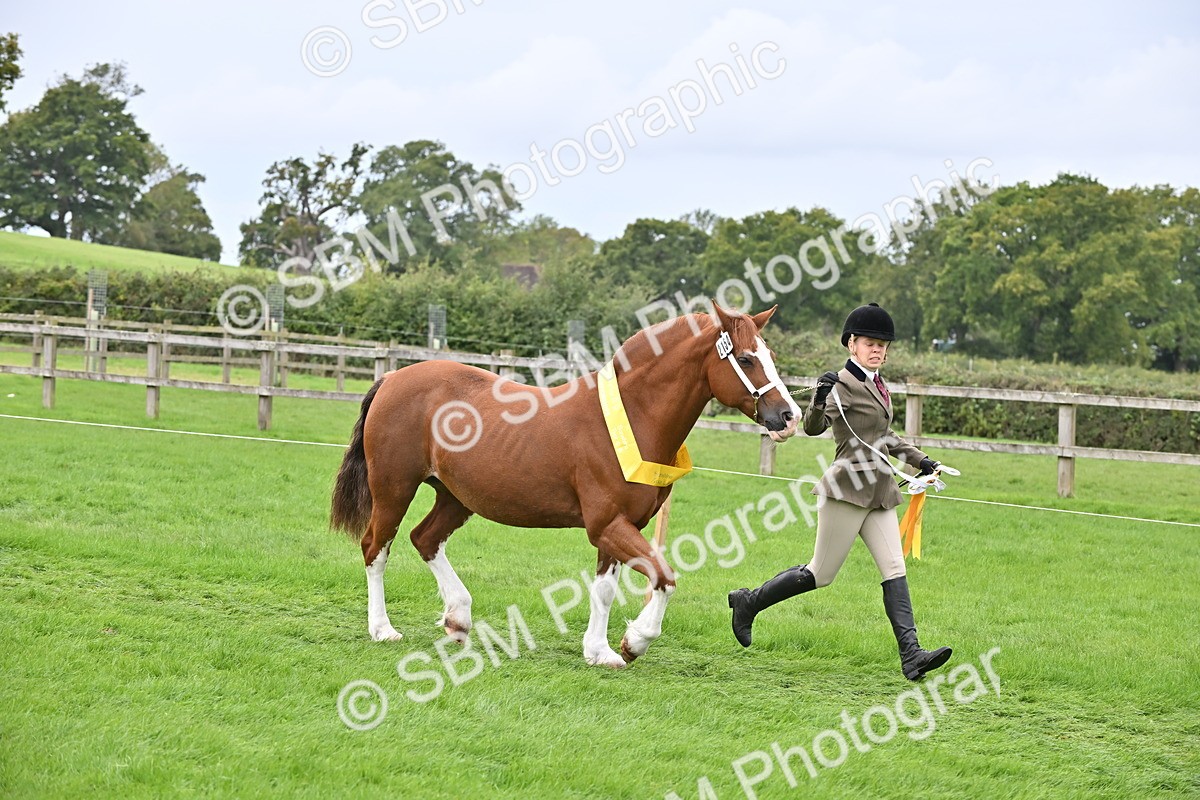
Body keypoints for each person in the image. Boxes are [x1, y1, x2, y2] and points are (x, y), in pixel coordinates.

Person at [727, 302, 952, 680]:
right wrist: (818, 397)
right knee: (821, 573)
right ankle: (748, 602)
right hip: (847, 489)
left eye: (883, 344)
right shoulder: (842, 385)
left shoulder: (880, 385)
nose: (878, 349)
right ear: (852, 344)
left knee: (895, 568)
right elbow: (814, 427)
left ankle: (911, 655)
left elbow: (885, 437)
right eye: (870, 343)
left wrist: (922, 461)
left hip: (879, 490)